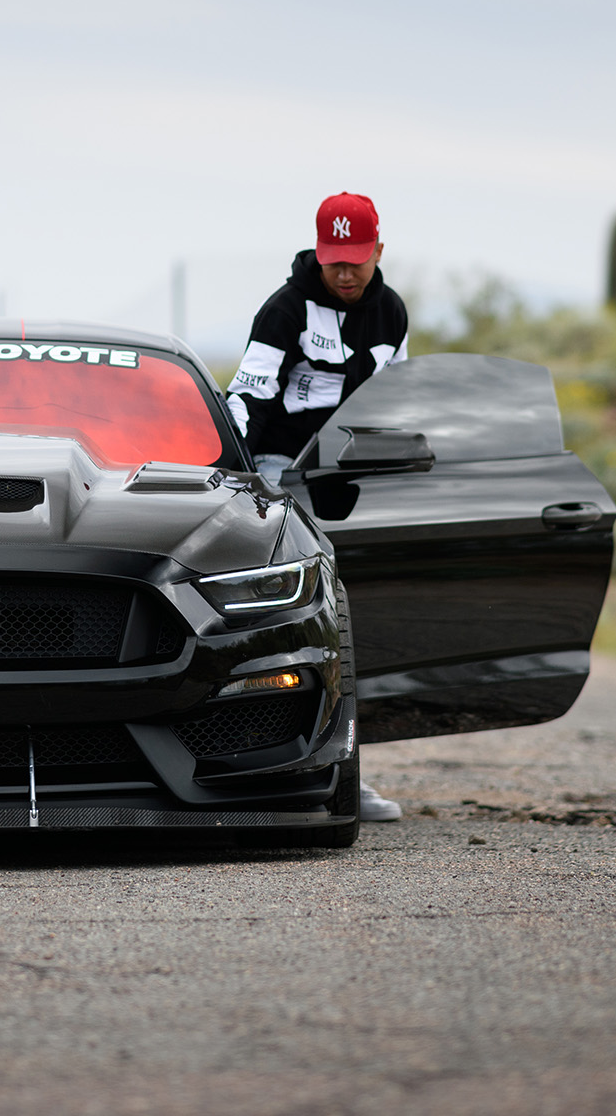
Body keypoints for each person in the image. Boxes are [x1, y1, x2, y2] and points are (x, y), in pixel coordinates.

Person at [225, 190, 411, 822]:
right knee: (310, 625)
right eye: (335, 259)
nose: (346, 271)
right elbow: (246, 397)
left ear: (377, 251)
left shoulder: (392, 314)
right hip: (282, 475)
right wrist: (241, 480)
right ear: (320, 252)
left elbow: (396, 404)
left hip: (350, 479)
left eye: (357, 258)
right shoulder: (283, 310)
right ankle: (289, 770)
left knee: (353, 628)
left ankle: (347, 771)